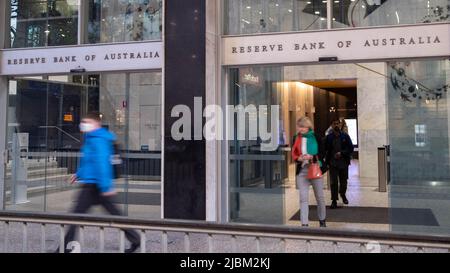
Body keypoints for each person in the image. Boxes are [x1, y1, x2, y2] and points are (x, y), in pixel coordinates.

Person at [55, 112, 140, 253]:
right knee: (111, 215)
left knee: (76, 216)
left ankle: (63, 249)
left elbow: (102, 163)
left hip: (95, 185)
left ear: (96, 123)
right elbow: (89, 161)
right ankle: (135, 239)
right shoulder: (91, 138)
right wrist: (78, 174)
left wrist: (106, 186)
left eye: (87, 122)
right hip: (93, 183)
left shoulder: (98, 139)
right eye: (83, 122)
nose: (84, 124)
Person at [292, 117, 326, 227]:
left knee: (319, 197)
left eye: (302, 126)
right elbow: (294, 154)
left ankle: (322, 220)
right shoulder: (296, 138)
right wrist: (299, 158)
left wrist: (313, 157)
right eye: (299, 126)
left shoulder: (316, 137)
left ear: (308, 127)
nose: (300, 129)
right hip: (302, 171)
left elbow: (323, 153)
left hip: (315, 169)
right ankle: (304, 224)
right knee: (303, 198)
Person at [324, 118, 354, 209]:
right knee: (334, 182)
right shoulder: (329, 137)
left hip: (343, 162)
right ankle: (334, 200)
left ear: (340, 125)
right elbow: (325, 149)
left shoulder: (345, 136)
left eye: (338, 123)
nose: (336, 125)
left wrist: (342, 153)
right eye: (334, 124)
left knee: (343, 181)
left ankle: (343, 195)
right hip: (333, 163)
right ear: (332, 126)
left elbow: (351, 148)